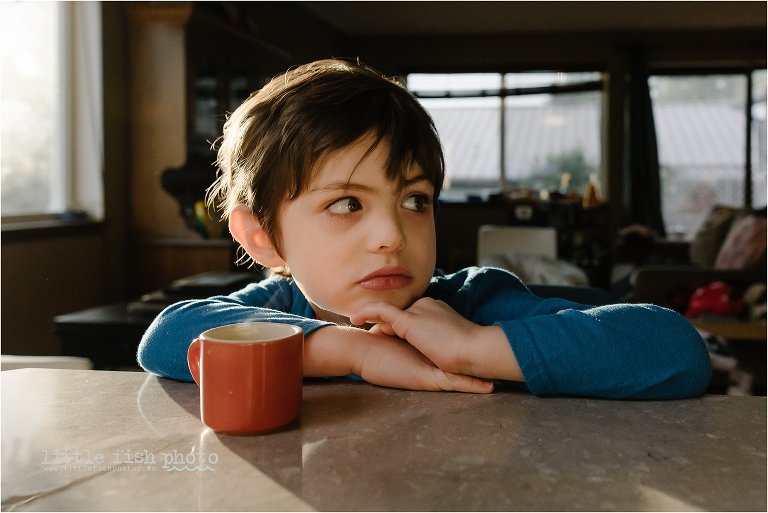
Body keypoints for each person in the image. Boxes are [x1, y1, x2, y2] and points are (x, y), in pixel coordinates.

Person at [137, 58, 711, 399]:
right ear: (263, 236)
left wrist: (475, 347)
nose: (391, 234)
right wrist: (352, 352)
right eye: (345, 205)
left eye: (415, 200)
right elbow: (165, 337)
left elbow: (675, 349)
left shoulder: (472, 303)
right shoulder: (279, 306)